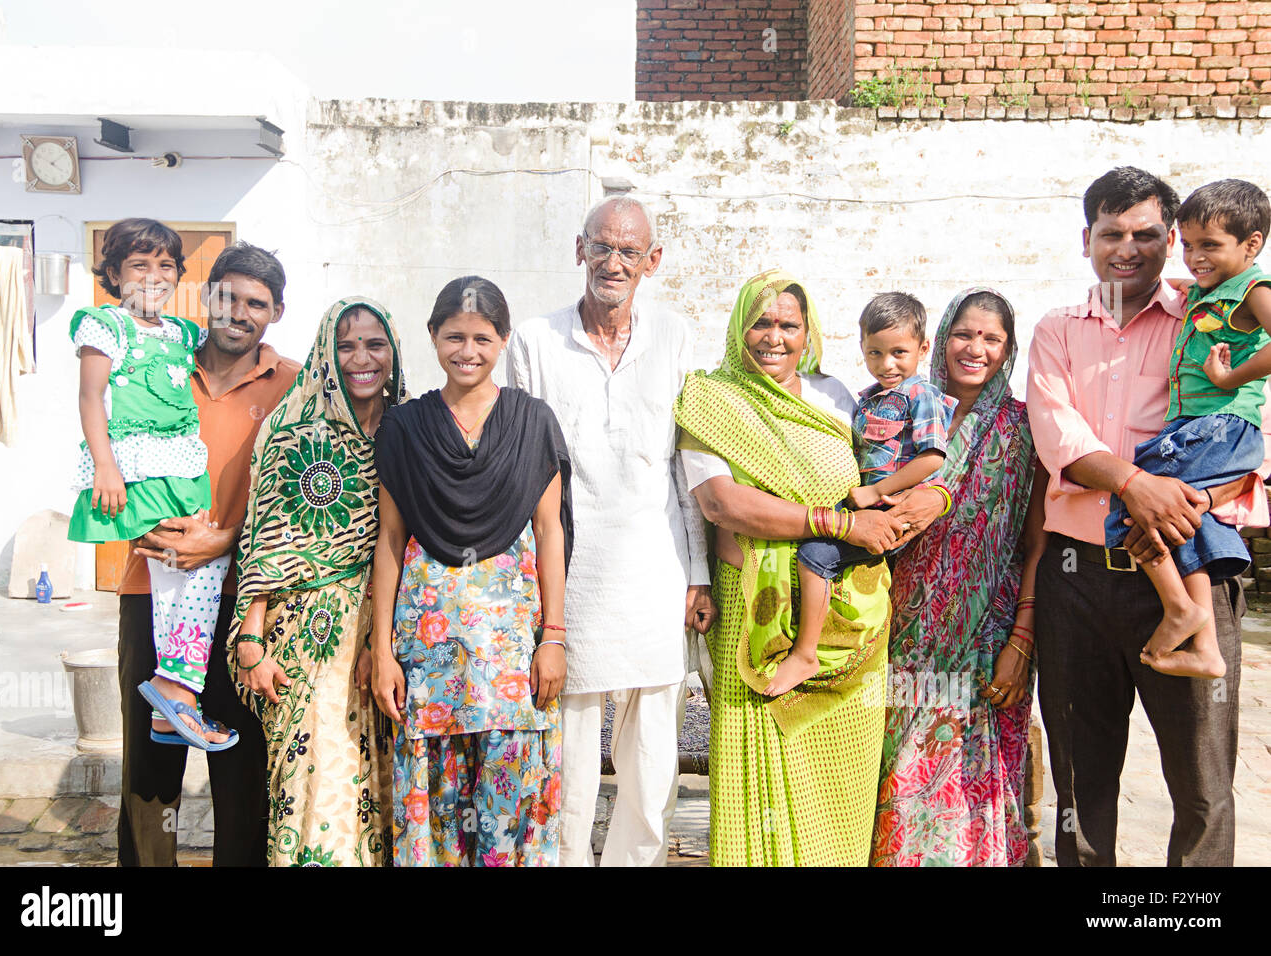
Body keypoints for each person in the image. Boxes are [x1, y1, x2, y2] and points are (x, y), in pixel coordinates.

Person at [1027, 166, 1271, 867]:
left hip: (1189, 560)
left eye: (1143, 234)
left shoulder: (1216, 314)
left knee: (1202, 782)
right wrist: (1137, 485)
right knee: (1081, 776)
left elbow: (1250, 432)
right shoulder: (1059, 331)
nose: (1125, 249)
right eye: (1111, 233)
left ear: (1172, 239)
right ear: (1087, 240)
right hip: (1078, 582)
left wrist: (1185, 502)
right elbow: (1059, 435)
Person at [675, 267, 919, 866]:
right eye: (761, 322)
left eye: (789, 323)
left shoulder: (836, 395)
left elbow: (883, 477)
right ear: (739, 327)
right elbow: (722, 503)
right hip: (757, 618)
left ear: (807, 331)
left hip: (849, 613)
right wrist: (836, 524)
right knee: (753, 774)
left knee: (841, 775)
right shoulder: (712, 399)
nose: (774, 336)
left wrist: (919, 503)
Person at [507, 196, 715, 867]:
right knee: (565, 761)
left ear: (653, 261)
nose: (614, 262)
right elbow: (521, 467)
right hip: (568, 573)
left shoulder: (676, 337)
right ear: (579, 251)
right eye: (602, 247)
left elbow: (687, 464)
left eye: (630, 251)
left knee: (653, 761)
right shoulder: (536, 342)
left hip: (655, 571)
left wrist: (698, 573)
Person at [372, 276, 572, 867]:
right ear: (433, 337)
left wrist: (554, 638)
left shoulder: (532, 422)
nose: (468, 350)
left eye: (482, 337)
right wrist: (382, 650)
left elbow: (550, 531)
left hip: (510, 656)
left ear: (503, 340)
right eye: (454, 336)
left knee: (513, 801)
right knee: (435, 806)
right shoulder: (405, 428)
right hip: (428, 656)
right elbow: (389, 538)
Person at [115, 241, 300, 866]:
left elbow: (305, 496)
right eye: (227, 297)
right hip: (152, 588)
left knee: (243, 768)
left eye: (256, 303)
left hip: (247, 604)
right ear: (207, 296)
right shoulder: (154, 367)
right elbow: (110, 455)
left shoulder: (294, 387)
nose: (238, 313)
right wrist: (143, 528)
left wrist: (228, 537)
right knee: (151, 764)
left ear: (275, 311)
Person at [871, 288, 1048, 867]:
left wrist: (1022, 640)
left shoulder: (1024, 428)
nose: (975, 349)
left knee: (980, 777)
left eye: (991, 338)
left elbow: (1035, 542)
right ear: (940, 339)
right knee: (900, 770)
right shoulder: (899, 413)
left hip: (988, 636)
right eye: (964, 334)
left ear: (1008, 348)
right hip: (902, 632)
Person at [227, 296, 403, 866]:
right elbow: (264, 538)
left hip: (388, 632)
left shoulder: (410, 430)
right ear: (326, 352)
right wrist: (252, 640)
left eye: (375, 344)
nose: (361, 358)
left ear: (394, 352)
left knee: (381, 787)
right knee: (312, 781)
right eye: (346, 345)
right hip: (307, 635)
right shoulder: (292, 430)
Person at [68, 219, 234, 750]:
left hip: (182, 470)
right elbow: (90, 398)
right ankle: (176, 691)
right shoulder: (105, 326)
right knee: (180, 567)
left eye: (166, 266)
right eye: (139, 264)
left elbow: (232, 341)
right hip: (135, 468)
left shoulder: (185, 333)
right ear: (114, 273)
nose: (154, 276)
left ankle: (171, 706)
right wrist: (105, 467)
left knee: (196, 569)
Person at [1103, 179, 1271, 679]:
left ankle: (1180, 607)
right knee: (1191, 518)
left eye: (1211, 247)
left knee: (1131, 497)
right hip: (1201, 426)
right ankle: (1205, 645)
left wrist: (1229, 376)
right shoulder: (1213, 290)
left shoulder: (1254, 289)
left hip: (1219, 425)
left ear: (1252, 245)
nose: (1196, 257)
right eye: (1190, 245)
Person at [775, 291, 956, 697]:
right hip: (865, 504)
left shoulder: (920, 395)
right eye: (875, 353)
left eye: (898, 353)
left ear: (923, 349)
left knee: (813, 556)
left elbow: (931, 458)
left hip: (889, 509)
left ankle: (806, 653)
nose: (887, 364)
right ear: (862, 348)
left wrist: (876, 491)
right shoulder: (868, 397)